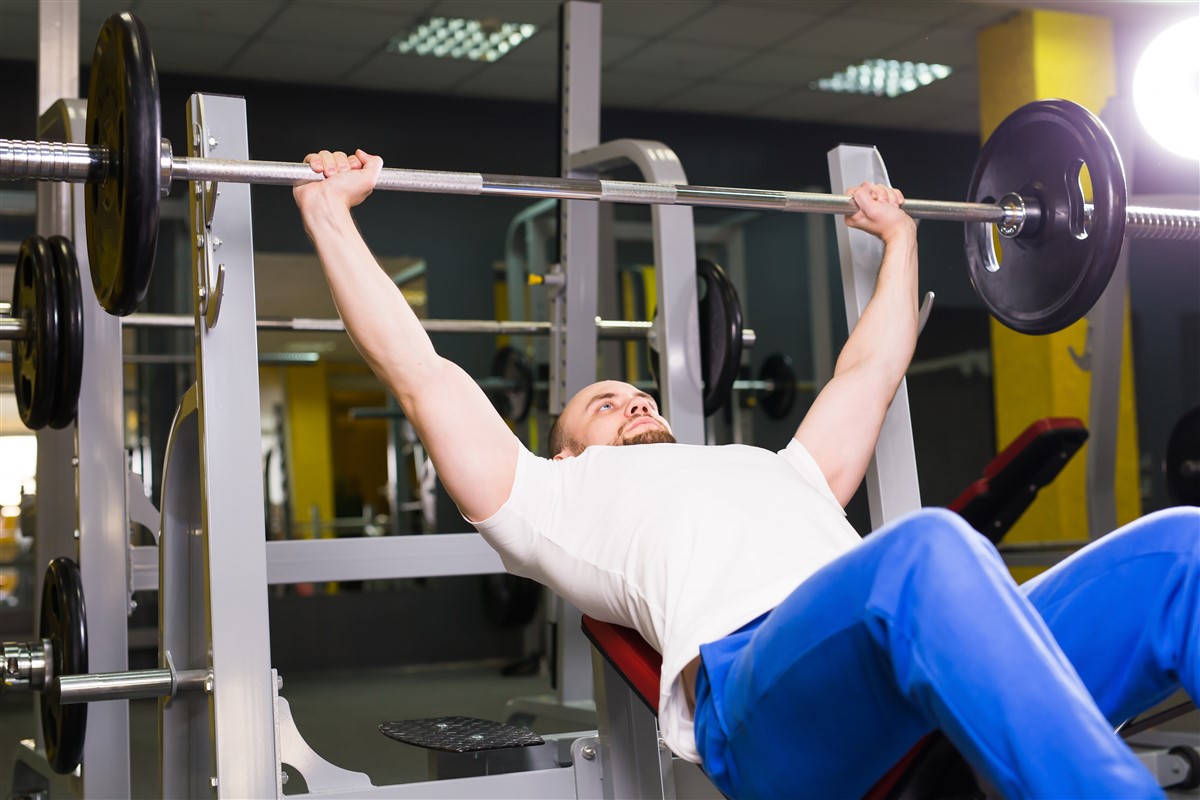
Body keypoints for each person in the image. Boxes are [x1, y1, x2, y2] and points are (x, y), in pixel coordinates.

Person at [294, 149, 1198, 800]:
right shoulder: (543, 496)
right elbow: (421, 374)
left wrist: (903, 240)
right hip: (768, 707)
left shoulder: (775, 469)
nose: (637, 402)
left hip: (908, 637)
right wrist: (329, 213)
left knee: (1179, 550)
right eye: (605, 403)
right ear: (566, 447)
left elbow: (868, 374)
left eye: (639, 394)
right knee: (925, 552)